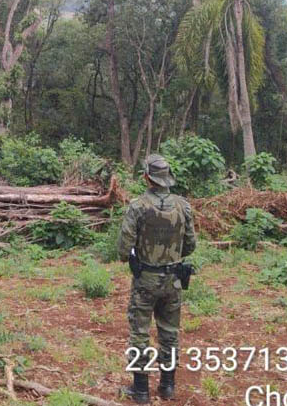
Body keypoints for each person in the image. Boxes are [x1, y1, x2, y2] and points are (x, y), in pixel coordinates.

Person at [117, 154, 196, 403]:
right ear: (167, 178)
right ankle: (168, 386)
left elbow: (123, 248)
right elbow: (190, 245)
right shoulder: (183, 206)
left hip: (146, 280)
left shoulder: (138, 206)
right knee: (170, 333)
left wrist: (138, 254)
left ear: (147, 177)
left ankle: (141, 391)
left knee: (140, 333)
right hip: (173, 280)